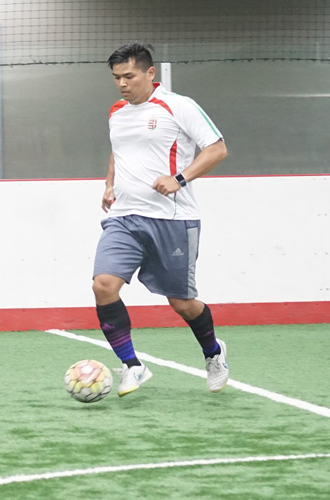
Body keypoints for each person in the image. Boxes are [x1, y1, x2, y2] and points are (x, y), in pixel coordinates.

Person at [93, 42, 229, 397]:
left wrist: (179, 179)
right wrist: (109, 185)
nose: (122, 84)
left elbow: (217, 149)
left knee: (182, 304)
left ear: (150, 73)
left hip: (173, 219)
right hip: (124, 217)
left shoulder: (178, 106)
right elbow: (118, 150)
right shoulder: (117, 112)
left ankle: (214, 354)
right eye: (116, 78)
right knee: (103, 285)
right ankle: (132, 366)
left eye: (129, 76)